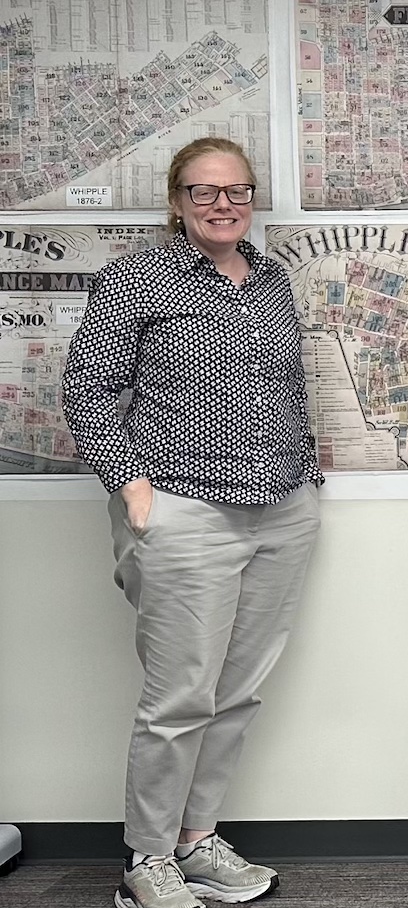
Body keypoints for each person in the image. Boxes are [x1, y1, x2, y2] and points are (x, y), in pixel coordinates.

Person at [63, 136, 323, 908]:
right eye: (205, 191)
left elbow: (285, 386)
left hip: (280, 510)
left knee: (238, 692)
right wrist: (131, 486)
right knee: (179, 698)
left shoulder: (273, 280)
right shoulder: (136, 279)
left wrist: (305, 473)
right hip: (183, 509)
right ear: (176, 200)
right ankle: (146, 860)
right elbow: (88, 388)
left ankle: (196, 839)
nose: (223, 205)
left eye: (237, 191)